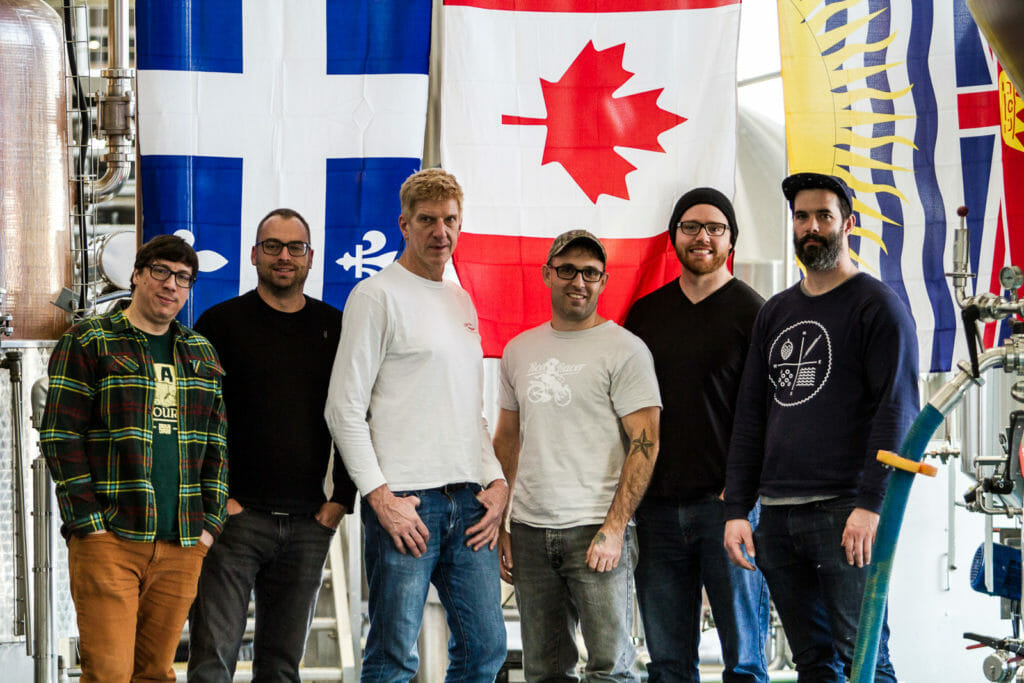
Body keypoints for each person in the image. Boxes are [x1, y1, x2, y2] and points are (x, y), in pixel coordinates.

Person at [723, 172, 920, 681]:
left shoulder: (877, 307)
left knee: (864, 658)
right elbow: (751, 416)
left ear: (847, 224)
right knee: (812, 661)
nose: (812, 227)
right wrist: (738, 509)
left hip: (843, 512)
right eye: (802, 216)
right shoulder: (776, 312)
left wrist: (870, 505)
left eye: (824, 216)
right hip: (779, 517)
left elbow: (896, 412)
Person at [324, 168, 508, 681]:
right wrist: (380, 498)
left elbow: (468, 410)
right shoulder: (375, 296)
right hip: (406, 505)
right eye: (427, 220)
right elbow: (342, 408)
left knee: (485, 650)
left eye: (450, 220)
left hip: (468, 501)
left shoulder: (460, 299)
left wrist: (496, 480)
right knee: (392, 656)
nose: (440, 232)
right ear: (403, 224)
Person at [40, 235, 228, 683]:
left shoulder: (201, 352)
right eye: (161, 272)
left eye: (183, 278)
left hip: (182, 542)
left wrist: (209, 525)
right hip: (112, 539)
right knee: (108, 674)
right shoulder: (91, 341)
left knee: (156, 674)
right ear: (138, 275)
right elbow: (60, 434)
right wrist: (88, 522)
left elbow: (216, 443)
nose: (171, 285)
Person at [187, 208, 357, 681]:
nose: (284, 256)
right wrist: (218, 499)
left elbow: (353, 414)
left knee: (281, 667)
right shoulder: (219, 325)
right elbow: (194, 420)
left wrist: (342, 498)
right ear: (253, 255)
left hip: (308, 523)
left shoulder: (335, 327)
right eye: (272, 246)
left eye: (294, 247)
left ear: (310, 258)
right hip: (236, 522)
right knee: (211, 660)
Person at [493, 229, 662, 681]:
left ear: (604, 281)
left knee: (609, 669)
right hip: (529, 531)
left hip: (596, 530)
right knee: (544, 670)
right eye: (567, 270)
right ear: (547, 274)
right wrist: (503, 521)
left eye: (590, 272)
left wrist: (614, 528)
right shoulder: (518, 350)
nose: (578, 281)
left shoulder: (625, 350)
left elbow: (646, 444)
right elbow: (507, 440)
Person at [624, 188, 769, 682]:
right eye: (691, 227)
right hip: (657, 511)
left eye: (715, 227)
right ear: (674, 237)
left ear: (731, 239)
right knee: (667, 664)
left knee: (745, 662)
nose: (702, 236)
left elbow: (772, 413)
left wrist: (743, 494)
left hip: (728, 510)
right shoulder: (645, 315)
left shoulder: (757, 313)